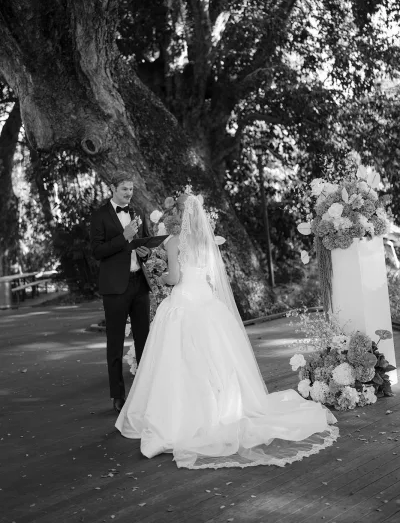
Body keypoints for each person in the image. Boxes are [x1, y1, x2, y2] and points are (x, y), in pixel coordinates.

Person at [115, 194, 338, 469]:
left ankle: (181, 415)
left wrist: (160, 277)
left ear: (177, 216)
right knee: (217, 359)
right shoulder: (205, 242)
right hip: (207, 301)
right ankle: (223, 408)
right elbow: (210, 275)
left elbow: (174, 278)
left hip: (184, 301)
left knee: (179, 360)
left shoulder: (173, 242)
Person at [90, 172, 152, 413]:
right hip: (115, 288)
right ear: (113, 189)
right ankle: (118, 395)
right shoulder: (100, 215)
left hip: (139, 284)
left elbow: (141, 242)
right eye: (125, 189)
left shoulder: (136, 213)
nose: (129, 193)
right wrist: (123, 238)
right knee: (114, 343)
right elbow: (97, 251)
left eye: (131, 189)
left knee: (144, 341)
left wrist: (145, 250)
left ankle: (145, 391)